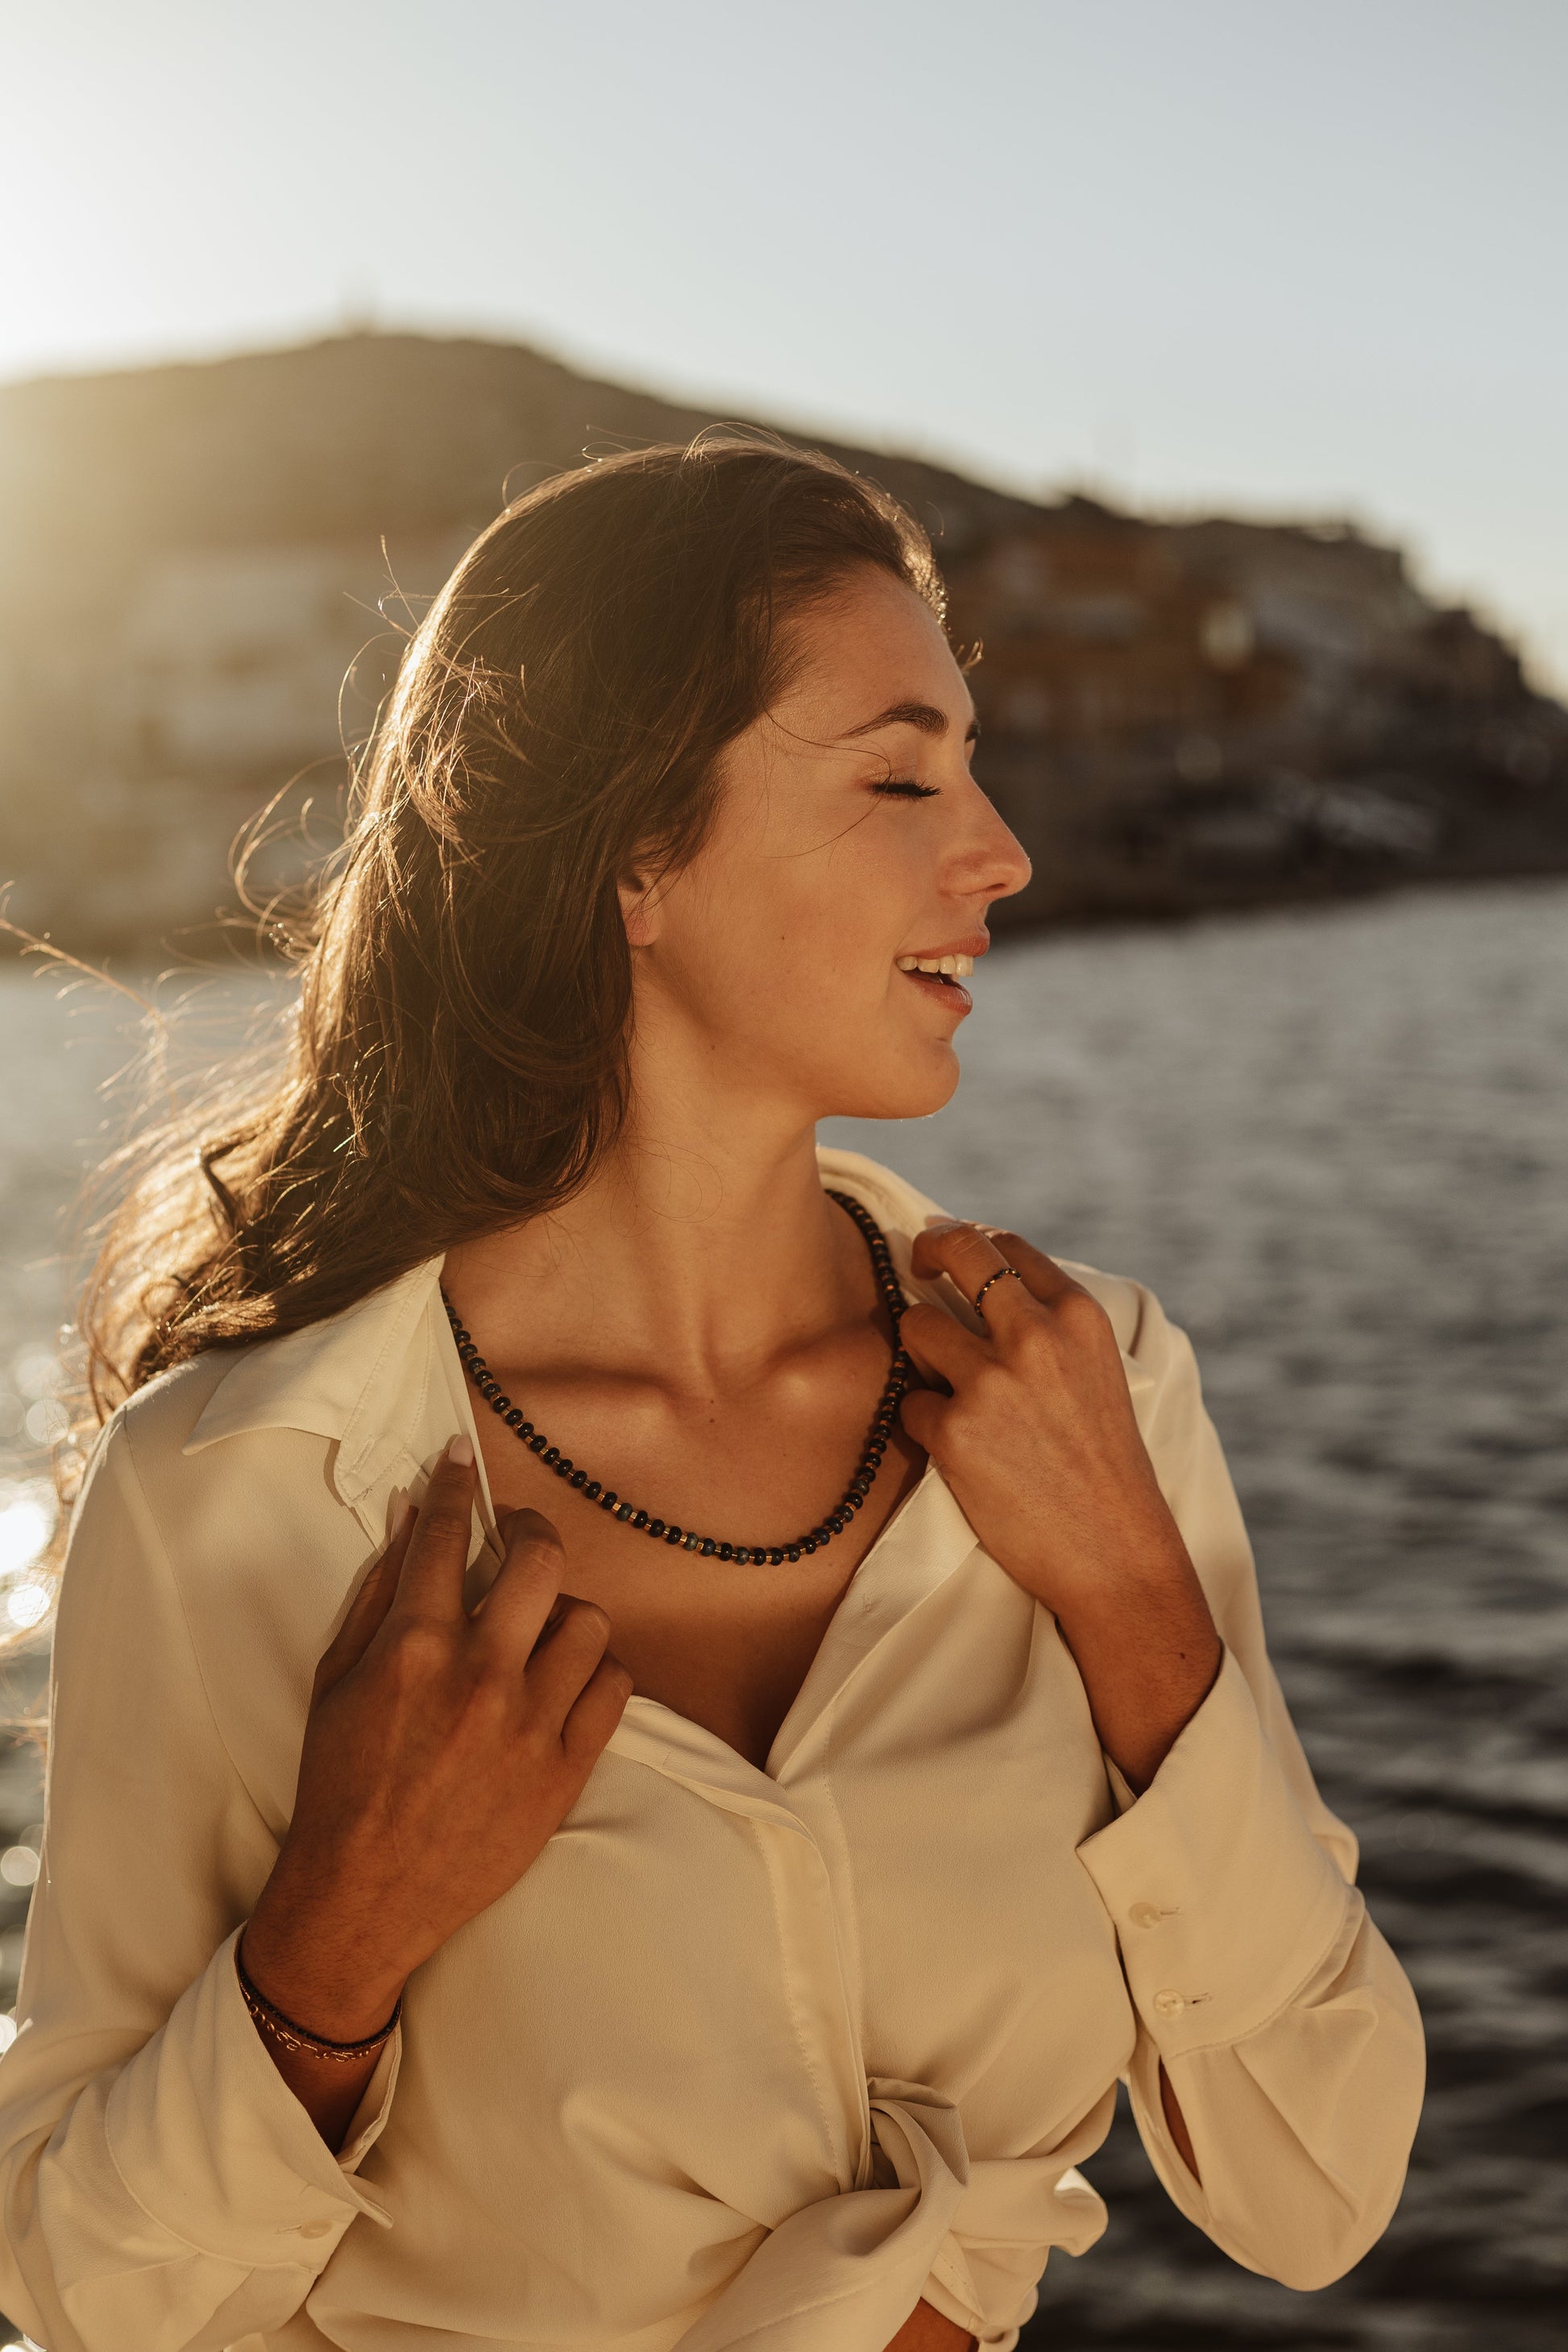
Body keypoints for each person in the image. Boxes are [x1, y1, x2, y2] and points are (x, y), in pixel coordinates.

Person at [0, 437, 1424, 2352]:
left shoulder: (1090, 1393)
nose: (999, 849)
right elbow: (86, 2303)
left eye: (974, 765)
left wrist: (1137, 1612)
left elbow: (1315, 2182)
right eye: (903, 774)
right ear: (632, 851)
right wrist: (325, 1954)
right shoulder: (249, 1485)